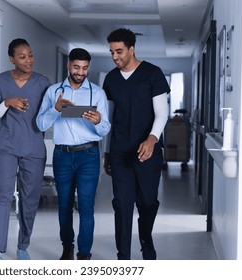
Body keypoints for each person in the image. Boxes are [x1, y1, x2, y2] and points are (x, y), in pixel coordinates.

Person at [36, 48, 111, 260]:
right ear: (69, 65)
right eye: (76, 67)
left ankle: (84, 253)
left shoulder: (97, 93)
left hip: (89, 155)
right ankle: (67, 247)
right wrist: (56, 109)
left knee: (86, 206)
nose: (80, 72)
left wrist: (97, 122)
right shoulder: (54, 92)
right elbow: (40, 123)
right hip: (62, 156)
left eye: (85, 68)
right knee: (64, 205)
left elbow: (105, 129)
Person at [102, 28, 170, 260]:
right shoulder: (110, 79)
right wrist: (108, 153)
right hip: (120, 152)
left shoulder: (153, 74)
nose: (114, 56)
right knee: (122, 204)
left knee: (148, 202)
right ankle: (123, 256)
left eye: (119, 51)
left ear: (132, 49)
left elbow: (162, 113)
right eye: (111, 52)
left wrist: (152, 138)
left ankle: (146, 239)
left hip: (147, 152)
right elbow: (109, 118)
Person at [0, 38, 51, 260]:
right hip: (6, 145)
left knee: (29, 197)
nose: (28, 60)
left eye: (30, 55)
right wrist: (7, 103)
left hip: (33, 147)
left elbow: (47, 117)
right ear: (11, 59)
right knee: (2, 194)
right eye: (22, 57)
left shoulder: (43, 83)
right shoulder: (1, 81)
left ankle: (23, 245)